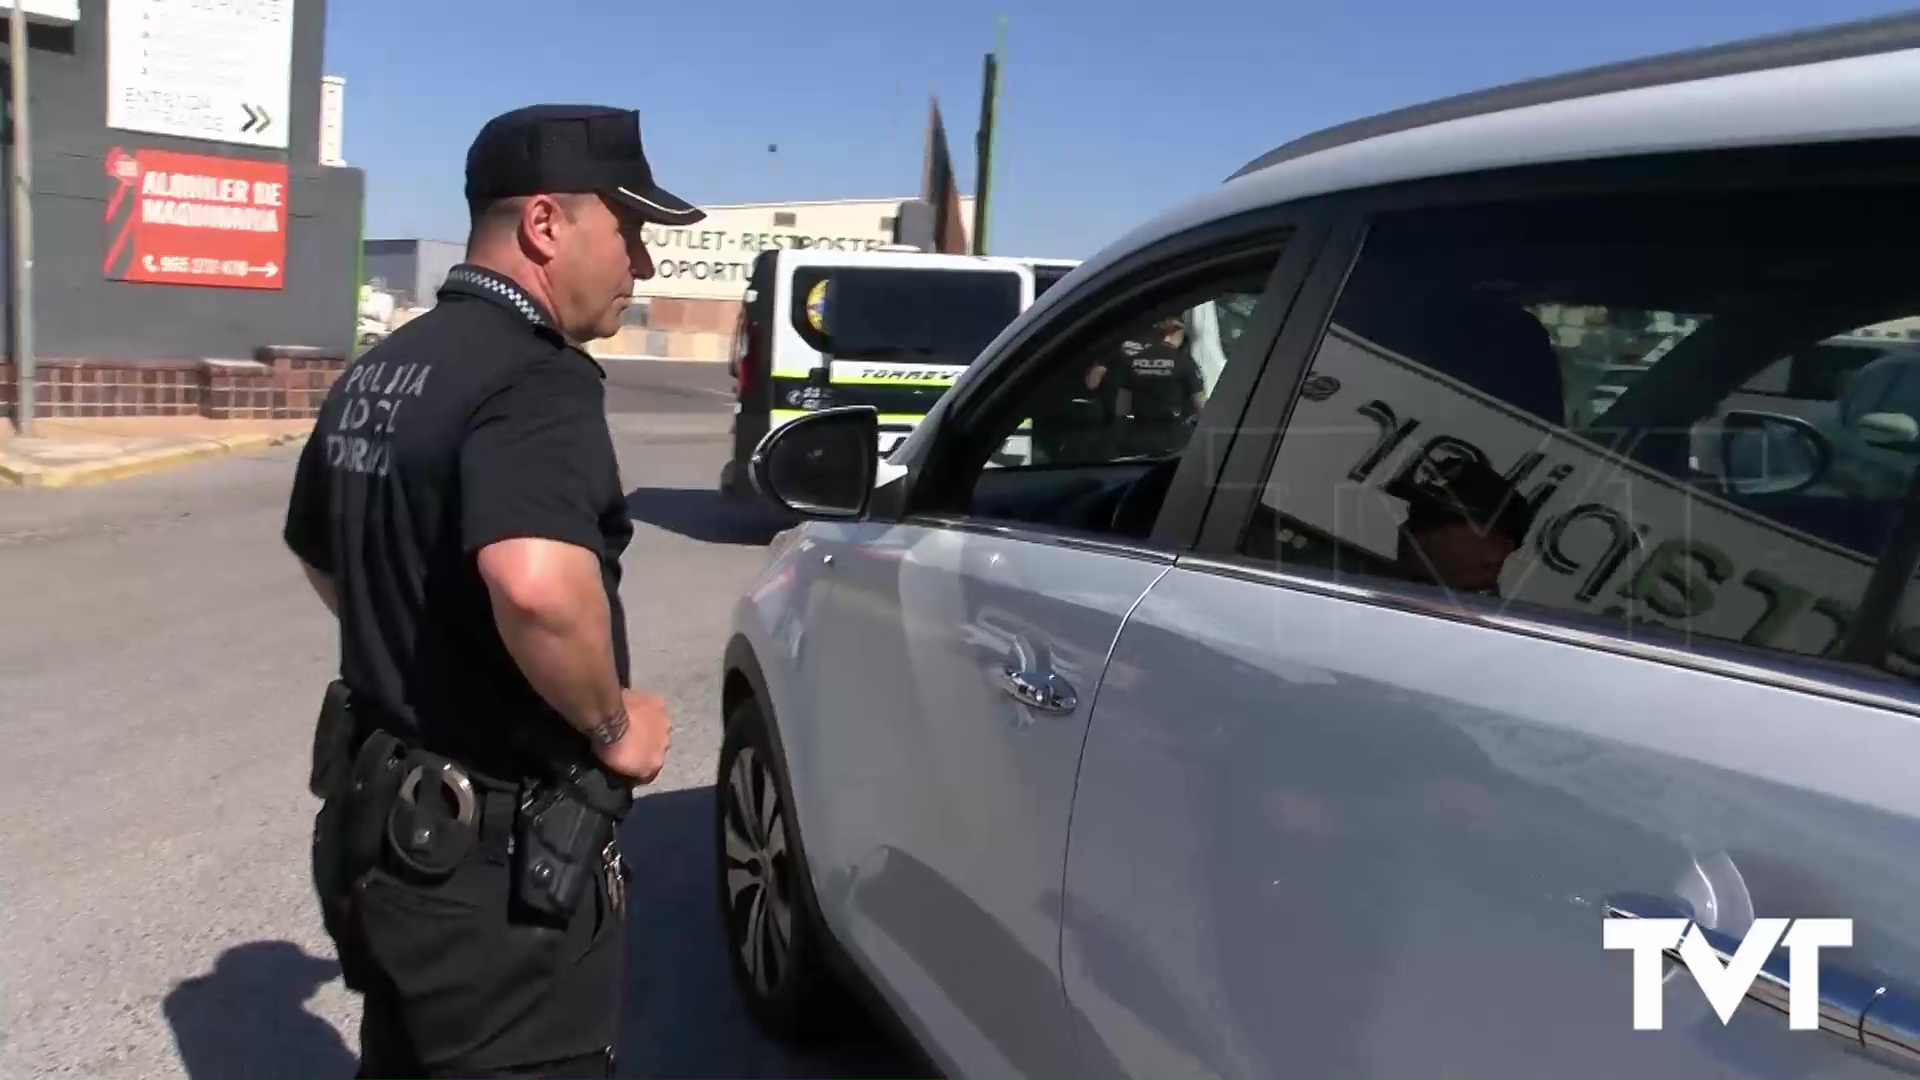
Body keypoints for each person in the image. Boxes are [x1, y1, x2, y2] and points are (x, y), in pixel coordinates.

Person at [283, 103, 701, 1079]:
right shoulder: (535, 379)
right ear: (547, 225)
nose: (643, 264)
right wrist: (611, 728)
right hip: (489, 890)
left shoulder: (386, 367)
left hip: (379, 839)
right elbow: (538, 584)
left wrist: (423, 645)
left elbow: (320, 553)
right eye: (630, 231)